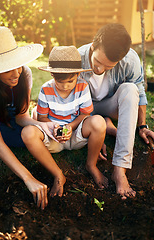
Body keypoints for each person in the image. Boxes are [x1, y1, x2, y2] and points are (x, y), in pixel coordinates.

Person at [78, 23, 154, 200]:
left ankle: (120, 170)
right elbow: (71, 101)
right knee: (95, 121)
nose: (100, 69)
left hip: (111, 105)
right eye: (97, 62)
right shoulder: (77, 57)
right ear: (93, 46)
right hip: (84, 109)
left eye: (108, 66)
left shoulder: (130, 60)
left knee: (130, 89)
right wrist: (94, 134)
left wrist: (142, 125)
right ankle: (105, 126)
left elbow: (140, 93)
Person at [22, 45, 108, 198]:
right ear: (52, 76)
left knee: (99, 122)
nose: (65, 86)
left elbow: (85, 114)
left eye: (70, 80)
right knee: (28, 132)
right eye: (59, 81)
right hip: (53, 136)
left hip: (76, 134)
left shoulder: (82, 86)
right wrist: (56, 129)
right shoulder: (46, 89)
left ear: (77, 75)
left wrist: (70, 126)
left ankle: (91, 165)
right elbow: (42, 118)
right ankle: (58, 174)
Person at [0, 26, 56, 210]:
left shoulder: (25, 74)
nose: (16, 74)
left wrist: (46, 126)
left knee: (31, 136)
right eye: (7, 70)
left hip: (11, 124)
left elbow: (21, 117)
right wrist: (29, 178)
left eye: (17, 65)